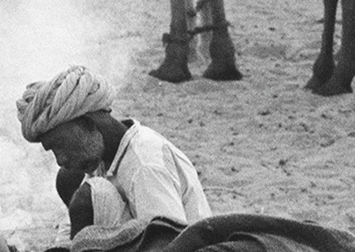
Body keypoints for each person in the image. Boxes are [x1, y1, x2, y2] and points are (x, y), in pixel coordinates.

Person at [16, 65, 211, 234]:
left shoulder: (144, 164)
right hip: (140, 251)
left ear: (88, 123)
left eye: (59, 146)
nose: (60, 159)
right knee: (68, 178)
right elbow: (68, 231)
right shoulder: (103, 155)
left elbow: (167, 244)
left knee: (88, 198)